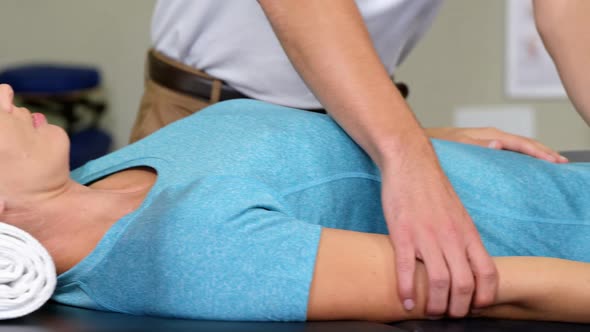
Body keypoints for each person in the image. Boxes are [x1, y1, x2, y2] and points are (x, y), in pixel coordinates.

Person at [129, 0, 590, 317]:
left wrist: (412, 142)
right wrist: (406, 152)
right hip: (208, 111)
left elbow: (568, 10)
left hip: (362, 126)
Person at [2, 83, 590, 322]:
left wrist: (418, 144)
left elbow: (299, 157)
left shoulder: (94, 179)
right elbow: (501, 281)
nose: (4, 91)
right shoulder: (190, 254)